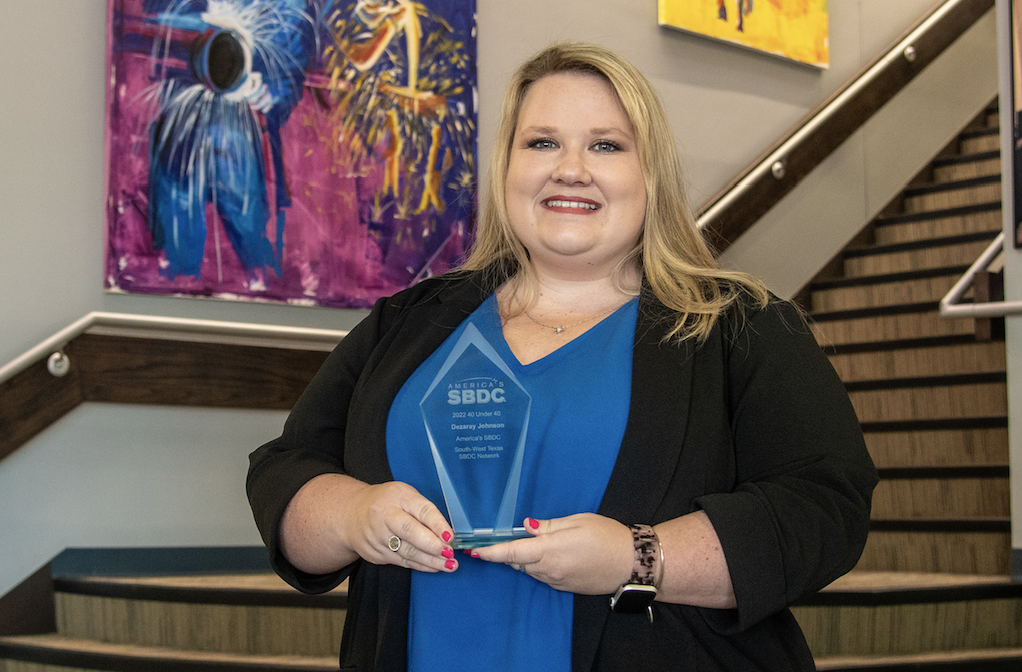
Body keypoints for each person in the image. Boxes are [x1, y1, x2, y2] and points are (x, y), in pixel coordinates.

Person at [247, 42, 877, 672]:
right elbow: (285, 471)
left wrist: (639, 557)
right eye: (542, 142)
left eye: (606, 145)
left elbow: (824, 508)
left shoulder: (743, 327)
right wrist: (352, 515)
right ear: (507, 166)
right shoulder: (407, 323)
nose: (570, 169)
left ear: (650, 173)